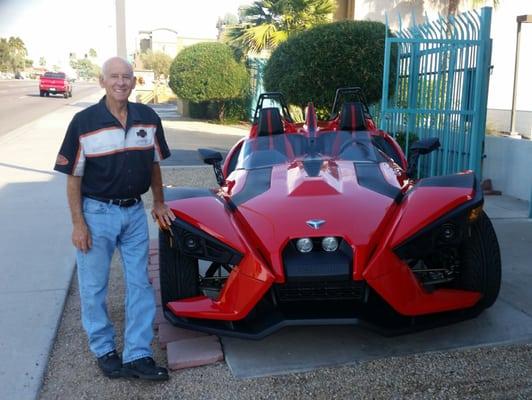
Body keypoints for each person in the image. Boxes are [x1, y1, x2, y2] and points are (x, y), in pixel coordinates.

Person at [54, 57, 175, 381]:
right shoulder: (84, 121)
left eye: (127, 77)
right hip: (96, 214)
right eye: (114, 77)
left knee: (140, 284)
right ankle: (104, 349)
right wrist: (78, 224)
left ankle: (138, 354)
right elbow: (73, 178)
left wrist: (159, 202)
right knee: (94, 287)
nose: (121, 82)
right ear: (102, 81)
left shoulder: (148, 119)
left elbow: (153, 164)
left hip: (134, 212)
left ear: (134, 82)